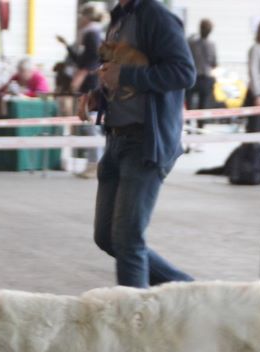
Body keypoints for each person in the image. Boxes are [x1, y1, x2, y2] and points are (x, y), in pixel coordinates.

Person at [79, 0, 196, 288]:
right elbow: (119, 78)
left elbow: (184, 72)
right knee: (108, 237)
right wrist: (99, 96)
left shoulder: (156, 16)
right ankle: (187, 290)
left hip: (145, 143)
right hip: (116, 140)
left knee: (128, 240)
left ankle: (135, 325)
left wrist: (126, 76)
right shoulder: (119, 19)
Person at [57, 2, 105, 177]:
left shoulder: (91, 34)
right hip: (91, 82)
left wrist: (80, 76)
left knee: (92, 124)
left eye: (81, 16)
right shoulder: (92, 34)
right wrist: (67, 47)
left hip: (91, 83)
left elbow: (90, 61)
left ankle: (95, 162)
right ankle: (94, 161)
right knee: (91, 123)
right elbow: (82, 60)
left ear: (87, 17)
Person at [187, 18, 218, 118]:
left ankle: (190, 124)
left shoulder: (192, 43)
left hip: (195, 76)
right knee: (203, 105)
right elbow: (214, 63)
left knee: (190, 103)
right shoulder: (211, 45)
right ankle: (199, 125)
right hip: (204, 77)